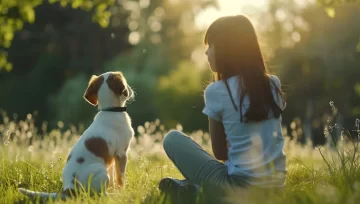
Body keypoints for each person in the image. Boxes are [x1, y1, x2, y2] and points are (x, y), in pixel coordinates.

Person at [158, 15, 287, 193]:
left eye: (210, 46)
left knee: (172, 139)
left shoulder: (216, 91)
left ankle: (198, 192)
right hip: (277, 189)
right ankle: (192, 190)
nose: (206, 52)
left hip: (238, 187)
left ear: (226, 49)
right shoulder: (273, 83)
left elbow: (220, 153)